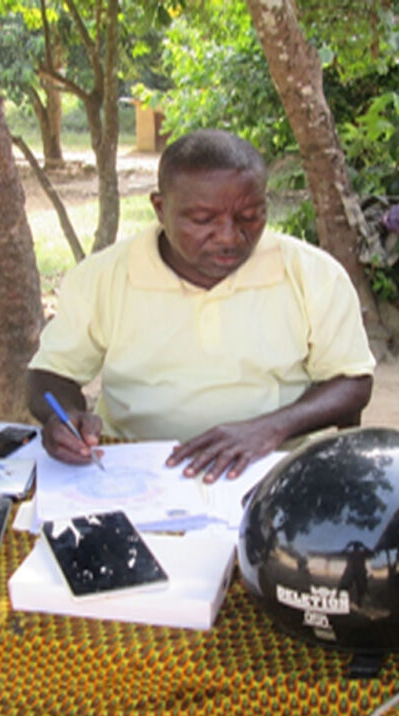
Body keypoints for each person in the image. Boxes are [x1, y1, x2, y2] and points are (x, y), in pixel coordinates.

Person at [27, 129, 375, 482]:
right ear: (160, 209)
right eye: (203, 220)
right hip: (133, 469)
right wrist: (67, 416)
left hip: (274, 468)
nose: (228, 236)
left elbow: (353, 380)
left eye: (249, 216)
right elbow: (50, 374)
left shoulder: (312, 274)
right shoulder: (104, 277)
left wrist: (270, 429)